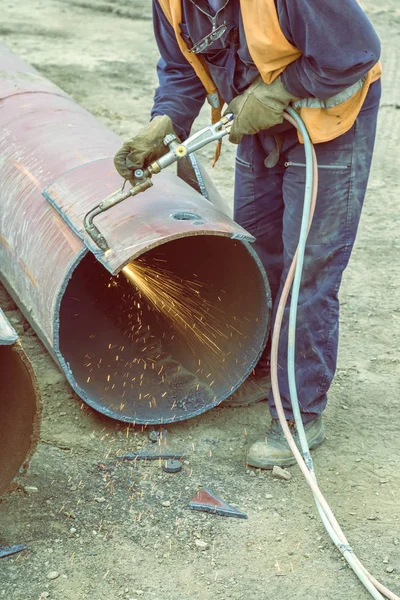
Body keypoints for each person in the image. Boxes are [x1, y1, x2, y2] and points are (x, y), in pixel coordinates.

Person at [114, 0, 382, 469]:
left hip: (329, 119)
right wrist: (167, 121)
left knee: (307, 267)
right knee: (260, 254)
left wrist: (281, 91)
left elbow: (356, 51)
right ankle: (262, 373)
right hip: (256, 119)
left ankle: (299, 413)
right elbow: (181, 65)